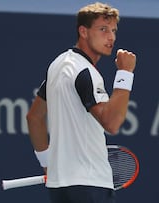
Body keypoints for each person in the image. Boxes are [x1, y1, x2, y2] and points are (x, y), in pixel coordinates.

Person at [26, 2, 136, 203]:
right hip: (90, 186)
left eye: (113, 30)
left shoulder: (57, 65)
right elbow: (112, 123)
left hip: (60, 187)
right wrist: (125, 73)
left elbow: (34, 117)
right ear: (83, 31)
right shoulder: (85, 72)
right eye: (103, 29)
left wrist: (48, 164)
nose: (111, 37)